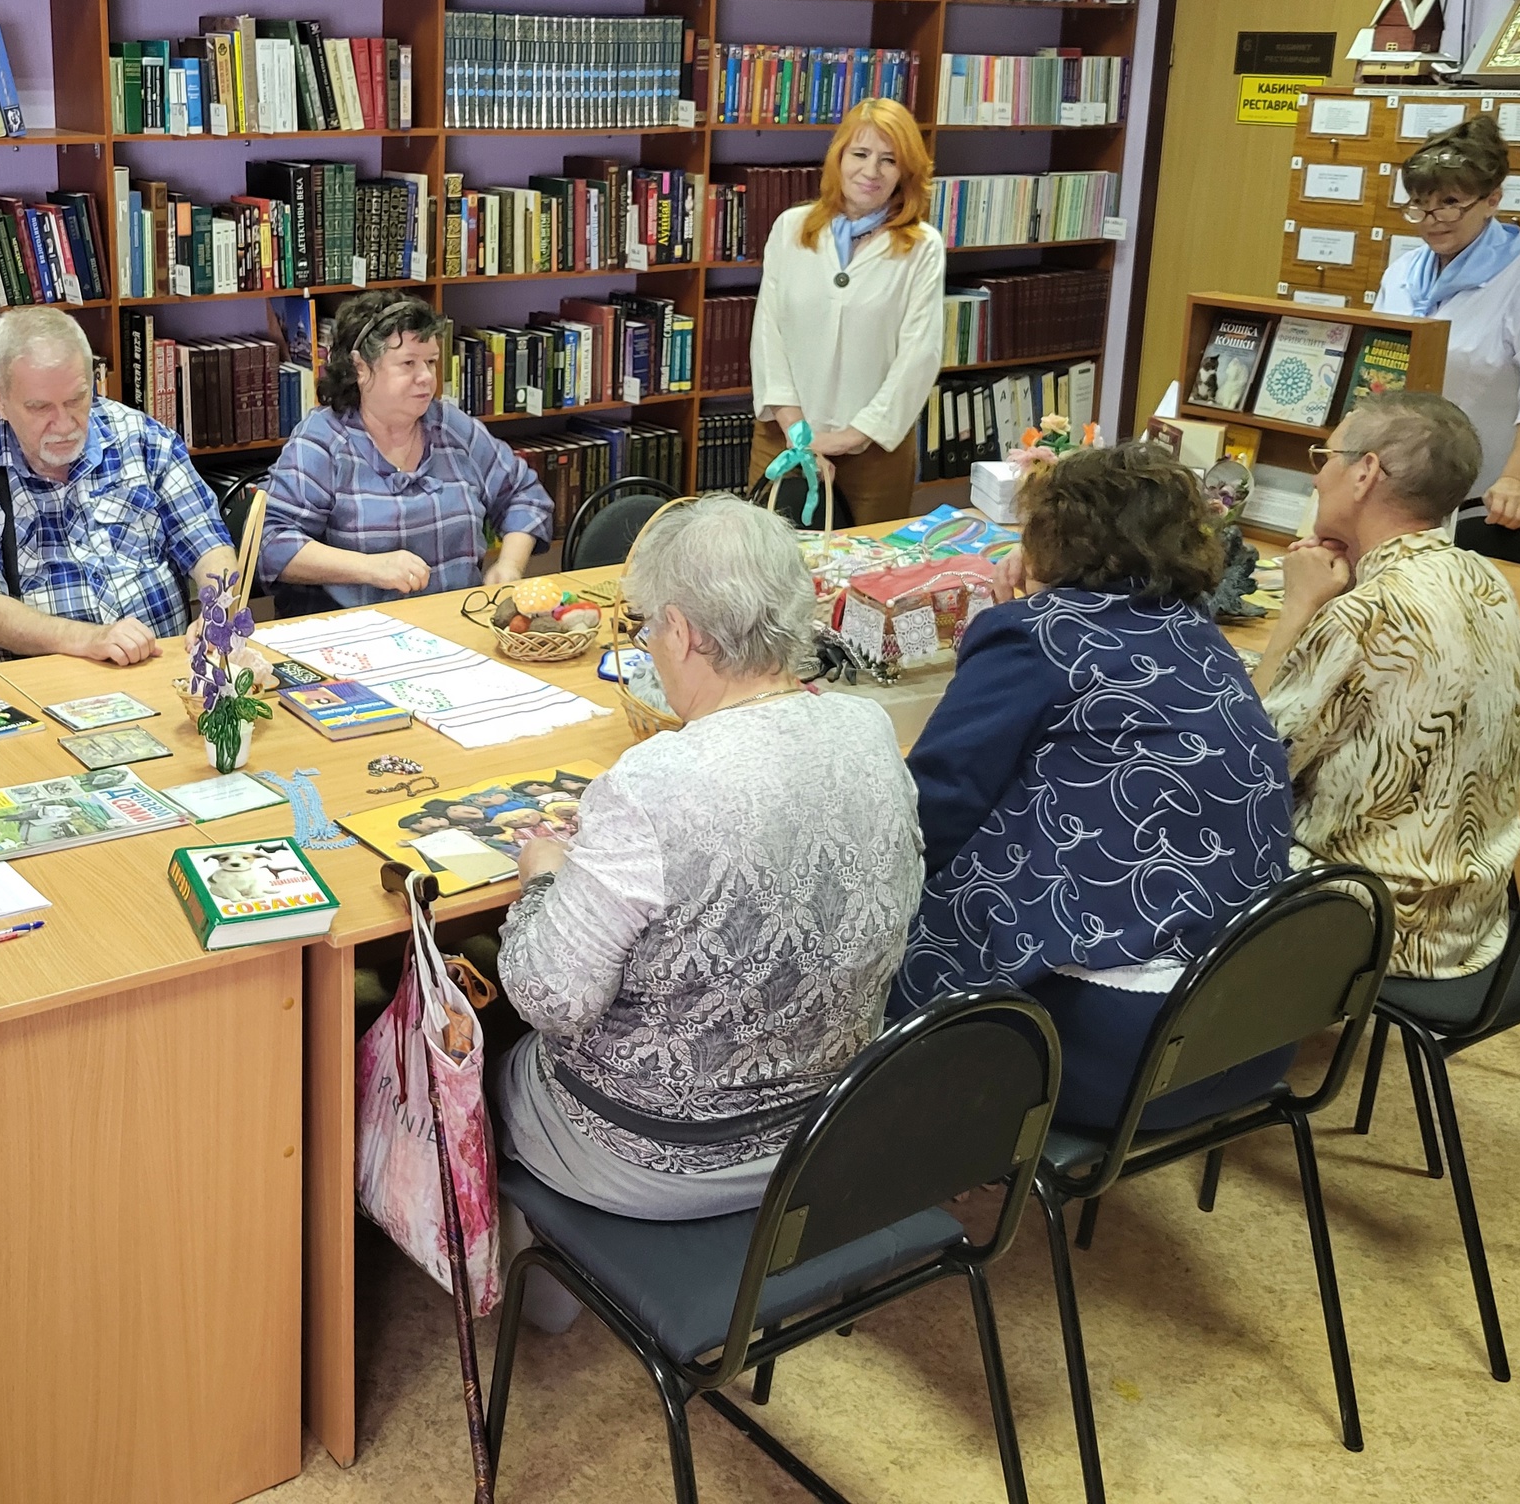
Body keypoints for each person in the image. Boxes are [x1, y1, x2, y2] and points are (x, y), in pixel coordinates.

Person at [493, 494, 923, 1220]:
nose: (651, 645)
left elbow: (550, 1000)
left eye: (650, 629)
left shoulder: (653, 781)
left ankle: (534, 1263)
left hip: (654, 1154)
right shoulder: (868, 730)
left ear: (685, 632)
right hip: (827, 1128)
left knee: (489, 1056)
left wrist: (541, 880)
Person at [889, 445, 1295, 1128]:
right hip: (1250, 1027)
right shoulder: (1198, 631)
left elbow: (935, 805)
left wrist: (1018, 620)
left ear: (1052, 535)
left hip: (1116, 1052)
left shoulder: (1034, 636)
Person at [1254, 390, 1520, 977]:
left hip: (1374, 919)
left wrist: (1298, 612)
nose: (1317, 477)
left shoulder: (1364, 615)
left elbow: (1249, 764)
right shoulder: (1485, 577)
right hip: (1473, 912)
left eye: (1326, 458)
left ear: (1365, 473)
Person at [0, 306, 236, 669]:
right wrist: (91, 640)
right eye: (40, 407)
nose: (63, 424)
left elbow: (208, 543)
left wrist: (218, 609)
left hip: (161, 670)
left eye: (76, 400)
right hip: (40, 684)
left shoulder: (142, 438)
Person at [259, 290, 552, 610]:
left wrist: (509, 565)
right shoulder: (323, 440)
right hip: (356, 628)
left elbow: (523, 494)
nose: (426, 377)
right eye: (408, 363)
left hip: (456, 618)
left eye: (431, 362)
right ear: (360, 368)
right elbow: (271, 542)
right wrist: (369, 568)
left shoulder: (451, 427)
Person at [747, 97, 947, 526]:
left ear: (905, 172)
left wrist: (850, 437)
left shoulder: (922, 247)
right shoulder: (791, 228)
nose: (871, 171)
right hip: (784, 439)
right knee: (768, 559)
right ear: (838, 158)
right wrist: (800, 433)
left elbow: (920, 355)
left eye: (889, 160)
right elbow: (768, 336)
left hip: (875, 451)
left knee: (869, 563)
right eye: (860, 154)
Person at [1374, 115, 1520, 529]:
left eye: (1450, 203)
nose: (1432, 219)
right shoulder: (1403, 273)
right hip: (1394, 484)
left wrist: (1515, 480)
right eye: (1420, 204)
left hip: (1484, 494)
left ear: (1492, 200)